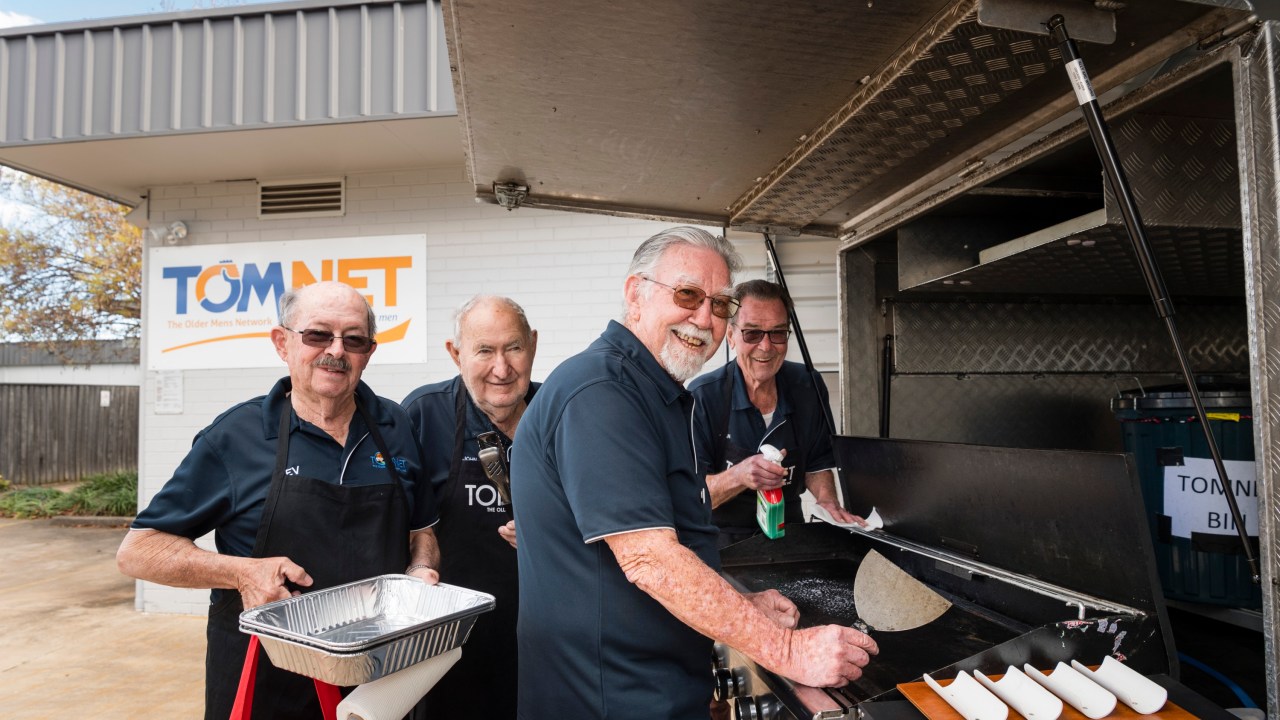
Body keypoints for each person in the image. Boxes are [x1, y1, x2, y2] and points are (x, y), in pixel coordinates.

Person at [510, 226, 878, 719]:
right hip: (607, 697)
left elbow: (674, 536)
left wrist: (742, 609)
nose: (704, 318)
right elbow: (651, 560)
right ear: (634, 294)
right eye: (687, 295)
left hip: (651, 685)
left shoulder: (658, 393)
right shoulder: (601, 393)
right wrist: (787, 650)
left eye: (721, 305)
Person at [116, 281, 441, 720]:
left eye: (354, 339)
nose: (336, 351)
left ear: (369, 351)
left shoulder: (395, 425)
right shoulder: (235, 437)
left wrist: (421, 569)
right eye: (318, 335)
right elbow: (139, 550)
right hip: (267, 681)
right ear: (281, 342)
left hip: (376, 678)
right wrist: (242, 572)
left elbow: (421, 530)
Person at [401, 295, 538, 720]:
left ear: (532, 345)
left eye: (513, 348)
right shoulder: (423, 415)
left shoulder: (561, 412)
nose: (502, 368)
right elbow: (400, 521)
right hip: (451, 644)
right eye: (484, 351)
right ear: (455, 353)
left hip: (545, 639)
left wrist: (556, 528)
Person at [690, 279, 863, 547]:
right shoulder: (703, 396)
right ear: (731, 336)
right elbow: (694, 496)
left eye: (778, 333)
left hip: (790, 536)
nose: (767, 346)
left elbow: (817, 464)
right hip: (723, 543)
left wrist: (828, 501)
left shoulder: (808, 385)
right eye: (752, 333)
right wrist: (740, 475)